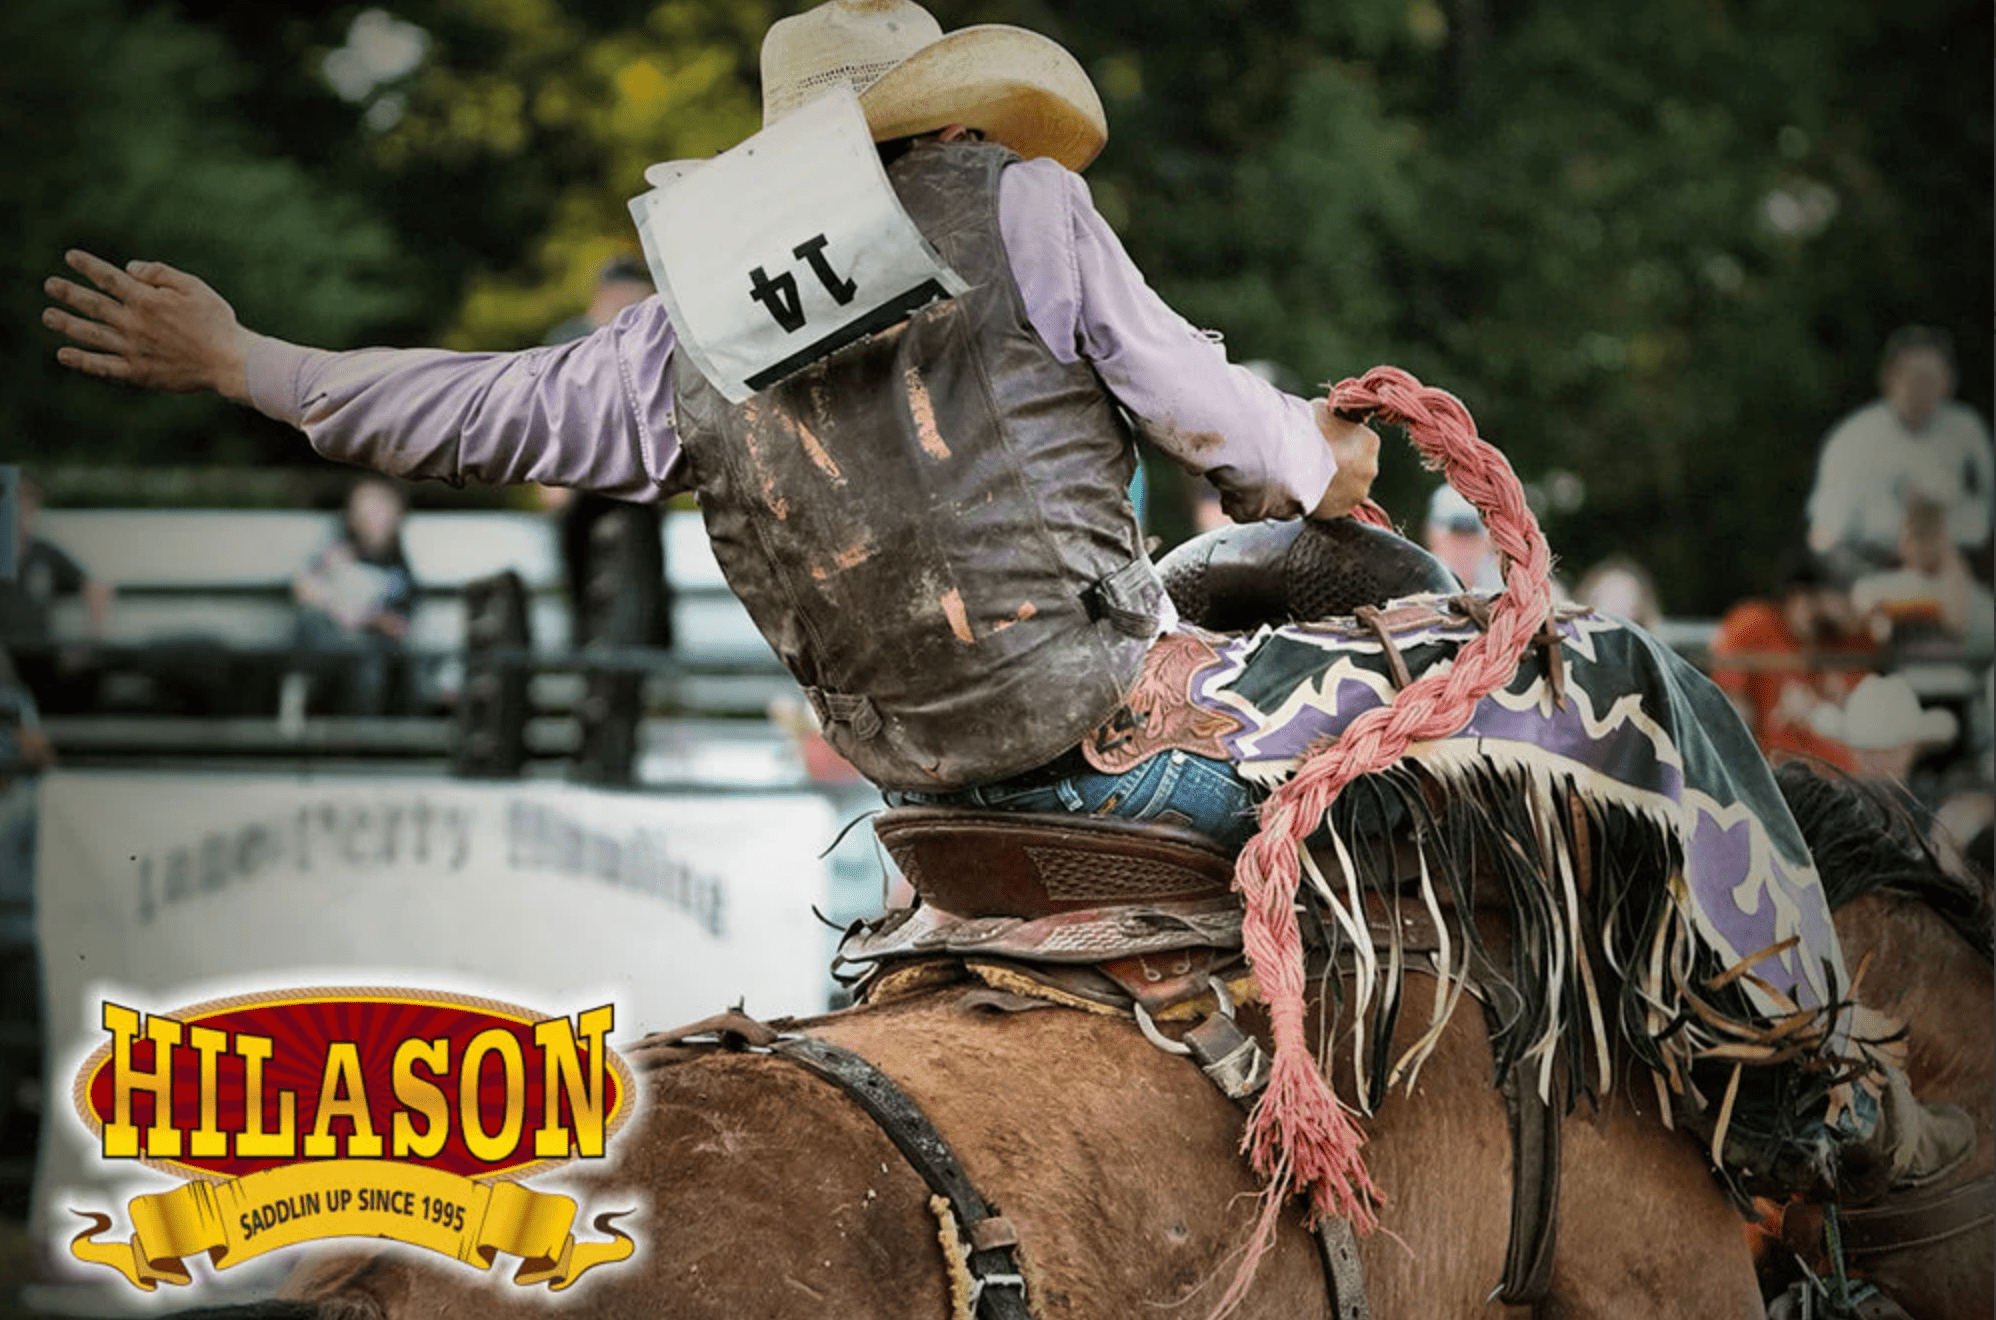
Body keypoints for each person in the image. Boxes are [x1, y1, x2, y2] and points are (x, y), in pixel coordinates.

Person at [40, 0, 1959, 1213]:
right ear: (936, 107)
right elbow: (1218, 419)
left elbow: (475, 409)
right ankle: (1820, 1083)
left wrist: (248, 356)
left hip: (920, 833)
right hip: (1135, 759)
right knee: (1612, 683)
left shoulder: (692, 331)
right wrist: (1319, 457)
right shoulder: (1016, 211)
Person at [1806, 326, 1994, 577]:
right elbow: (1826, 533)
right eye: (1914, 377)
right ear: (1889, 379)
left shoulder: (1967, 431)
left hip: (1956, 569)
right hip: (1870, 569)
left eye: (1931, 378)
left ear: (1949, 381)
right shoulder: (1853, 438)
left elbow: (1984, 511)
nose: (1922, 389)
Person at [1709, 548, 1875, 772]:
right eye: (1838, 596)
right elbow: (1728, 706)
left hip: (1838, 781)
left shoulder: (1847, 642)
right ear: (1800, 596)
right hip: (1771, 777)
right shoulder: (1754, 625)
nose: (1845, 605)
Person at [281, 478, 418, 721]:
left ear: (396, 516)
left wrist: (359, 615)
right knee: (312, 624)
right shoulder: (336, 553)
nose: (370, 518)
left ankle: (354, 746)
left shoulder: (399, 572)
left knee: (366, 664)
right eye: (363, 509)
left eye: (378, 509)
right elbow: (303, 587)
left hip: (371, 656)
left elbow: (399, 625)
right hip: (328, 651)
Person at [0, 474, 114, 713]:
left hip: (40, 653)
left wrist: (91, 640)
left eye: (26, 500)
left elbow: (95, 587)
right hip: (8, 653)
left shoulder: (43, 552)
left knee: (92, 675)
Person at [1421, 482, 1504, 591]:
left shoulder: (1510, 593)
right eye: (1456, 537)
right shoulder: (1409, 587)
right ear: (1432, 536)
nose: (1464, 548)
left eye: (1472, 538)